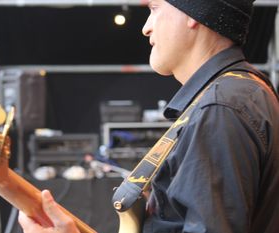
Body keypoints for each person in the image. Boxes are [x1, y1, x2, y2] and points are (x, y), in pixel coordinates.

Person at [19, 0, 279, 232]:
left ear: (193, 14)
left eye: (154, 9)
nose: (146, 27)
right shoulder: (239, 95)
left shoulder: (220, 107)